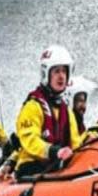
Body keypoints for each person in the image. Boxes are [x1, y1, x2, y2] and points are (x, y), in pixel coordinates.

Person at [14, 45, 87, 177]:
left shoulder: (66, 111)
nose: (61, 76)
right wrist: (53, 151)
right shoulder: (33, 106)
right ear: (45, 74)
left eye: (64, 71)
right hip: (30, 167)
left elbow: (76, 144)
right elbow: (29, 140)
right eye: (56, 71)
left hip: (54, 168)